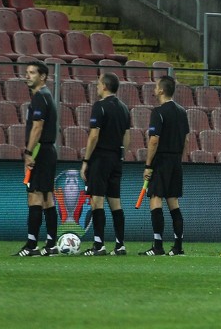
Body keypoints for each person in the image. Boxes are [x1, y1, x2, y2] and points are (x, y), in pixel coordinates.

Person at [79, 72, 131, 256]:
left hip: (100, 157)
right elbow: (127, 135)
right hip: (117, 158)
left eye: (98, 83)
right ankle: (120, 245)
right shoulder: (124, 108)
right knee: (115, 202)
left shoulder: (99, 107)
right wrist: (121, 154)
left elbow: (94, 135)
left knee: (97, 201)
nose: (96, 86)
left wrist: (86, 160)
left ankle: (99, 245)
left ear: (105, 86)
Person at [14, 62, 60, 256]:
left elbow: (37, 127)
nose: (28, 76)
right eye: (27, 73)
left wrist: (28, 152)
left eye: (32, 73)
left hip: (40, 151)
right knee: (47, 197)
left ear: (43, 77)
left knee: (35, 196)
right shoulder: (46, 96)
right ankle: (51, 245)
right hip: (48, 151)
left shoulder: (40, 98)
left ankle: (32, 245)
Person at [140, 76, 189, 256]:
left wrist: (148, 165)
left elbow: (154, 140)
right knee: (173, 203)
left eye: (156, 86)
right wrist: (177, 158)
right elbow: (186, 139)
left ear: (161, 90)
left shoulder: (158, 112)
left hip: (161, 160)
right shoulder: (182, 112)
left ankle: (158, 246)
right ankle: (178, 246)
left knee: (155, 199)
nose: (154, 89)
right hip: (176, 160)